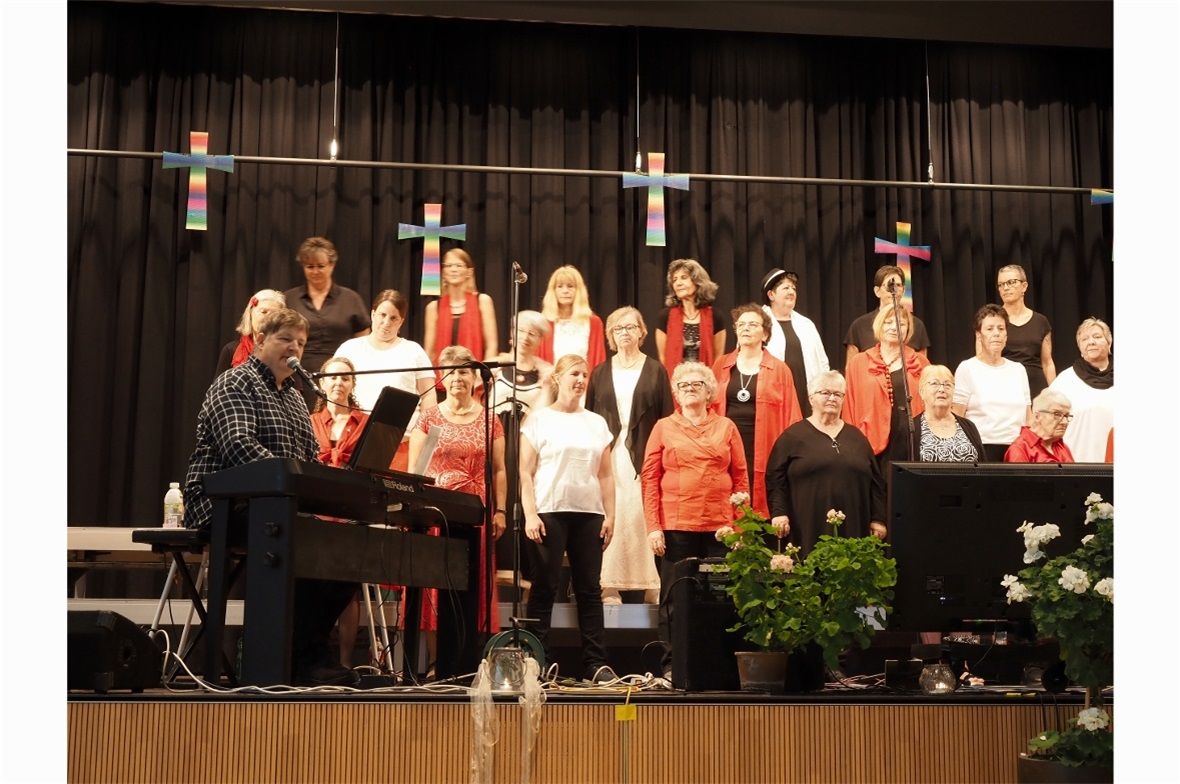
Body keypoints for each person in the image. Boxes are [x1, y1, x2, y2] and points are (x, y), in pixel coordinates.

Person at [183, 308, 358, 686]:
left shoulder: (295, 399)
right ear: (261, 340)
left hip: (279, 504)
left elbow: (309, 459)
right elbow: (240, 448)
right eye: (285, 339)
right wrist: (296, 482)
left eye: (300, 342)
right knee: (302, 538)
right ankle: (286, 658)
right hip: (224, 505)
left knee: (347, 553)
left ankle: (305, 653)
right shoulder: (234, 384)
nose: (293, 348)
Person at [642, 361, 748, 678]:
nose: (690, 389)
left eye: (697, 384)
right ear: (675, 392)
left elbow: (741, 478)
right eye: (684, 385)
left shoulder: (726, 427)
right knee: (674, 599)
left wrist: (740, 527)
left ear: (709, 392)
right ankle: (674, 665)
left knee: (719, 597)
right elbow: (649, 479)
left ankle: (717, 664)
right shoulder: (663, 427)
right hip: (675, 525)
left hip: (720, 528)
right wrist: (653, 527)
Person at [408, 345, 508, 666]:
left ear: (475, 376)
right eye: (450, 372)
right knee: (434, 591)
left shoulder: (491, 418)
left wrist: (501, 509)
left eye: (463, 371)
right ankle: (440, 663)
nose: (457, 378)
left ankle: (467, 662)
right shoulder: (429, 418)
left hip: (475, 514)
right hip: (436, 515)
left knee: (471, 587)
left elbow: (500, 469)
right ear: (442, 378)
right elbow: (416, 470)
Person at [519, 354, 616, 683]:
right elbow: (525, 472)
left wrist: (610, 515)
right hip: (549, 510)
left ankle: (595, 663)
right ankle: (537, 661)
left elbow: (605, 476)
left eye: (584, 375)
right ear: (558, 378)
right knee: (545, 587)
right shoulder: (538, 420)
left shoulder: (596, 423)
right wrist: (530, 514)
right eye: (574, 373)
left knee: (589, 589)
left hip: (589, 513)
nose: (580, 379)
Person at [586, 307, 674, 606]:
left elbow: (666, 418)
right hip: (609, 456)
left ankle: (650, 583)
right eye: (618, 328)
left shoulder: (656, 370)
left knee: (641, 515)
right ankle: (610, 585)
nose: (625, 332)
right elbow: (590, 417)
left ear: (641, 332)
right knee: (613, 516)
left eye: (630, 327)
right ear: (611, 335)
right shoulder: (599, 372)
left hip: (645, 455)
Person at [766, 370, 887, 556]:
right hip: (806, 527)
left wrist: (878, 519)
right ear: (811, 397)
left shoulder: (858, 438)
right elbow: (775, 479)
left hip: (853, 527)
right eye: (825, 393)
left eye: (838, 394)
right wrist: (779, 512)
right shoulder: (792, 437)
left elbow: (876, 483)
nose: (832, 398)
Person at [711, 303, 803, 517]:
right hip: (727, 446)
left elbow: (792, 415)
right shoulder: (721, 365)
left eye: (752, 324)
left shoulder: (780, 369)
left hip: (765, 446)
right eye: (741, 324)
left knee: (760, 505)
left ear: (766, 333)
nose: (745, 328)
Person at [334, 289, 437, 471]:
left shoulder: (413, 351)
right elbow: (334, 391)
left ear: (401, 322)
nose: (386, 323)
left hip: (403, 445)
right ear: (373, 314)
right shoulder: (349, 348)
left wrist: (421, 437)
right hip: (355, 442)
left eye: (393, 318)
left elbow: (429, 399)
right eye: (382, 315)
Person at [308, 357, 368, 668]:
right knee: (314, 587)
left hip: (350, 514)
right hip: (316, 513)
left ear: (353, 384)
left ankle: (345, 665)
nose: (338, 384)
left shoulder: (366, 422)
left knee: (348, 592)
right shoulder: (311, 420)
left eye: (345, 378)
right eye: (332, 378)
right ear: (321, 383)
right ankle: (313, 658)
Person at [283, 237, 370, 408]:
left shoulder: (351, 299)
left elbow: (364, 344)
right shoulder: (289, 299)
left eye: (321, 266)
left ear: (332, 265)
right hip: (296, 379)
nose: (316, 271)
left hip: (339, 381)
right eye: (310, 267)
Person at [842, 306, 930, 473]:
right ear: (879, 325)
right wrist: (850, 444)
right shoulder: (858, 362)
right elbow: (849, 406)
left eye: (900, 323)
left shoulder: (921, 362)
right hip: (869, 442)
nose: (894, 327)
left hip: (910, 443)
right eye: (888, 322)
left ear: (908, 329)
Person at [952, 304, 1032, 462]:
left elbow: (1028, 417)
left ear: (1006, 335)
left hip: (1017, 450)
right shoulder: (967, 368)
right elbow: (957, 417)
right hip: (981, 449)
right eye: (990, 329)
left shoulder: (1018, 370)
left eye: (1001, 329)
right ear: (978, 335)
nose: (996, 333)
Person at [422, 248, 499, 396]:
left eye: (458, 265)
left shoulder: (482, 301)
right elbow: (430, 353)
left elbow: (491, 346)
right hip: (443, 383)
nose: (453, 270)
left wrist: (482, 378)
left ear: (469, 272)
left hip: (475, 383)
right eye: (449, 266)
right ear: (443, 272)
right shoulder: (433, 308)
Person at [761, 268, 829, 416]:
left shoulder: (806, 324)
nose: (791, 291)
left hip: (805, 395)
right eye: (785, 288)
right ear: (771, 295)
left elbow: (822, 362)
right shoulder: (758, 322)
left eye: (793, 288)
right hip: (773, 395)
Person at [1048, 318, 1114, 462]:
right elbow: (1047, 425)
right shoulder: (1065, 380)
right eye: (1084, 339)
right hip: (1077, 466)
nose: (1091, 342)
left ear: (1109, 343)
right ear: (1080, 348)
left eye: (1097, 337)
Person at [844, 264, 931, 369]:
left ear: (903, 290)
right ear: (877, 291)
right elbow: (850, 370)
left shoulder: (915, 325)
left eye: (898, 285)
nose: (893, 290)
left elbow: (924, 372)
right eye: (889, 285)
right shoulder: (859, 325)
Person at [990, 264, 1056, 397]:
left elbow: (1047, 362)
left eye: (1011, 282)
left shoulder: (1041, 321)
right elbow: (983, 359)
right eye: (1001, 284)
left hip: (1036, 390)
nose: (1005, 288)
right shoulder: (992, 320)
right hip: (1003, 387)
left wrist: (1054, 394)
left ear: (1024, 286)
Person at [654, 258, 727, 377]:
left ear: (698, 281)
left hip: (706, 383)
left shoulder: (715, 316)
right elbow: (663, 358)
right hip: (676, 384)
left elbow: (718, 357)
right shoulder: (665, 316)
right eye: (674, 280)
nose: (678, 283)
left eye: (684, 277)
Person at [535, 265, 607, 370]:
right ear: (553, 290)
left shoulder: (594, 322)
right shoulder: (544, 322)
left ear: (579, 290)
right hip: (550, 383)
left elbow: (599, 361)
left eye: (570, 286)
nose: (565, 291)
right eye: (560, 286)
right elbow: (537, 360)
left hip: (584, 383)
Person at [910, 365, 985, 463]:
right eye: (934, 384)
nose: (942, 389)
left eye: (947, 385)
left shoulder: (969, 427)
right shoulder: (910, 429)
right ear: (921, 392)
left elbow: (983, 466)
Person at [214, 289, 286, 378]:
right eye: (264, 312)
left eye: (274, 315)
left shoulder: (285, 352)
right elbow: (218, 389)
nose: (268, 318)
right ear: (250, 313)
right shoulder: (230, 350)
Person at [1005, 389, 1075, 463]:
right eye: (1057, 414)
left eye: (1066, 416)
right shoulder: (1020, 449)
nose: (1064, 422)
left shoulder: (1063, 447)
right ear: (1037, 416)